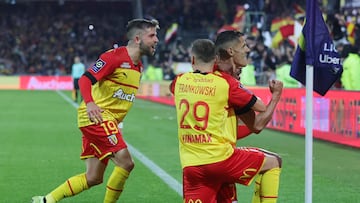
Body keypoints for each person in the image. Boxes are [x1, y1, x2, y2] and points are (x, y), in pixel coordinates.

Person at [31, 18, 160, 203]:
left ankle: (46, 200)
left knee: (93, 178)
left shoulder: (138, 65)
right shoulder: (114, 56)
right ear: (138, 39)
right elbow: (85, 79)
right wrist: (90, 103)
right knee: (126, 162)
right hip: (97, 117)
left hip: (106, 121)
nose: (156, 40)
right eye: (152, 35)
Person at [170, 38, 279, 203]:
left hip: (191, 166)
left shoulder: (179, 81)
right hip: (221, 160)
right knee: (274, 162)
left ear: (192, 59)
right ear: (215, 59)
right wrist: (276, 94)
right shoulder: (226, 84)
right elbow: (261, 108)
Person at [214, 30, 283, 203]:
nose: (248, 49)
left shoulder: (207, 74)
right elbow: (258, 120)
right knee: (274, 162)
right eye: (244, 45)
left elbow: (252, 125)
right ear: (231, 51)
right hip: (219, 157)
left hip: (195, 156)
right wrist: (275, 97)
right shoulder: (230, 85)